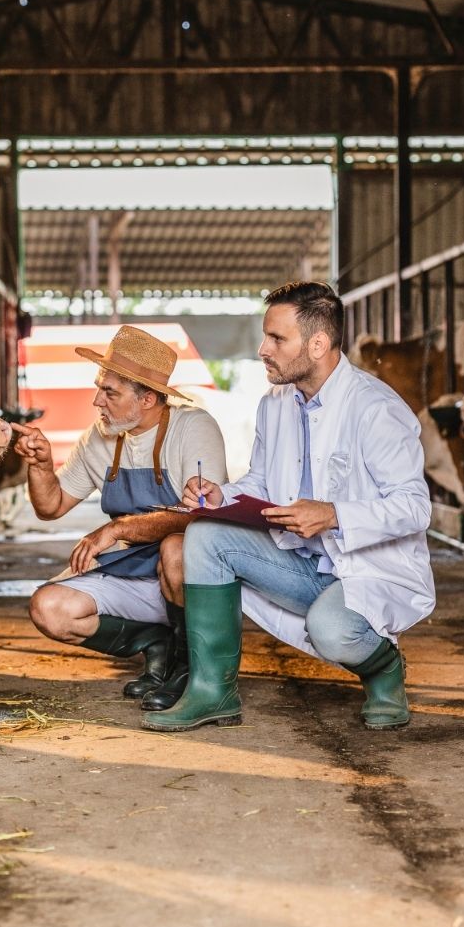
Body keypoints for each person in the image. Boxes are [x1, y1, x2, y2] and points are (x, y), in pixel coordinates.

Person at [151, 282, 432, 733]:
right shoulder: (274, 403)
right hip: (301, 561)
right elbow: (262, 479)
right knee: (202, 535)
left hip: (365, 570)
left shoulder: (376, 408)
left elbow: (415, 508)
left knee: (332, 631)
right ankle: (211, 692)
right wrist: (222, 494)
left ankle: (384, 669)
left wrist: (334, 513)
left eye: (276, 339)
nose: (263, 349)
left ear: (317, 344)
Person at [11, 325, 226, 711]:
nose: (97, 401)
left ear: (146, 399)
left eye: (110, 392)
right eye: (100, 387)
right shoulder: (100, 438)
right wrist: (40, 466)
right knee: (50, 609)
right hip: (132, 576)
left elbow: (202, 516)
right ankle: (154, 641)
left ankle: (190, 667)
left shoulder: (193, 427)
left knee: (177, 548)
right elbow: (51, 506)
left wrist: (118, 527)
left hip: (188, 583)